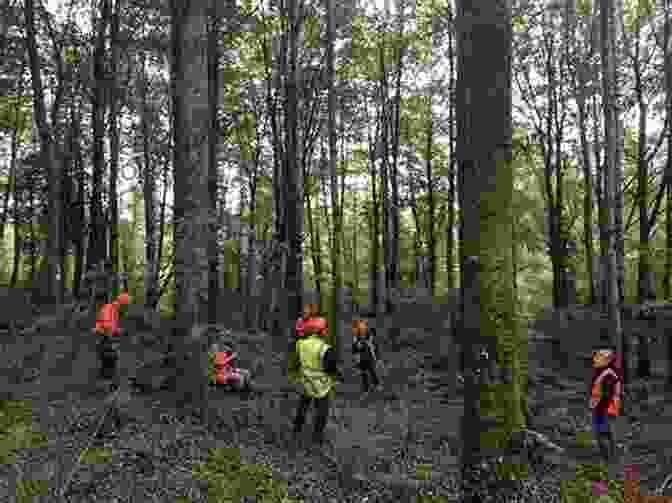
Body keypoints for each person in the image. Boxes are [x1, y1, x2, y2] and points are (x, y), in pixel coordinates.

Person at [292, 304, 339, 447]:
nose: (327, 331)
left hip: (306, 381)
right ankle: (317, 438)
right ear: (321, 331)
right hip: (321, 385)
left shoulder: (300, 344)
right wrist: (334, 377)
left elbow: (297, 363)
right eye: (325, 329)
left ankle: (297, 429)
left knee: (303, 405)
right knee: (322, 411)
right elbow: (330, 369)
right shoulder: (325, 348)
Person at [590, 347, 623, 463]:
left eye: (598, 358)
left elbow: (607, 395)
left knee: (603, 434)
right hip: (602, 408)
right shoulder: (604, 373)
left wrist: (599, 408)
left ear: (606, 360)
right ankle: (609, 458)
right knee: (604, 434)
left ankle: (609, 460)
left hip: (605, 409)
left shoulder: (608, 374)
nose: (595, 360)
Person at [95, 292, 130, 383]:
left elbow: (112, 325)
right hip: (104, 335)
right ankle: (105, 381)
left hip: (107, 335)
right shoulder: (110, 309)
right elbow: (107, 325)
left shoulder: (115, 310)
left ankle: (106, 380)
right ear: (122, 303)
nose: (126, 308)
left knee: (110, 359)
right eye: (126, 305)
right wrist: (113, 336)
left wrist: (118, 330)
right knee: (109, 358)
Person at [352, 318, 381, 393]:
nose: (362, 329)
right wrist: (356, 355)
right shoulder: (356, 337)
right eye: (360, 328)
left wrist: (377, 356)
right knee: (363, 373)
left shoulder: (370, 336)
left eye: (364, 327)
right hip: (361, 358)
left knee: (372, 370)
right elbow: (355, 348)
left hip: (369, 357)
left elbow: (374, 346)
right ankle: (366, 388)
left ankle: (376, 384)